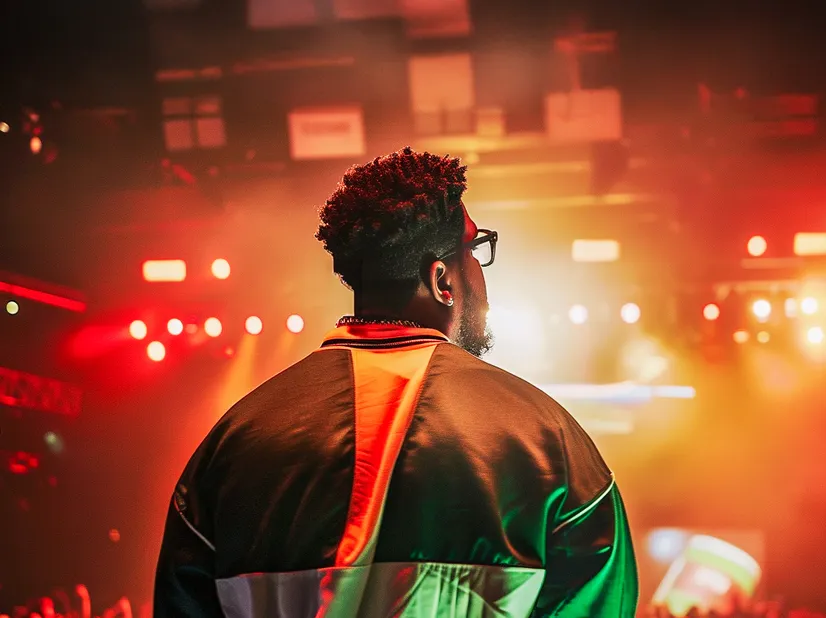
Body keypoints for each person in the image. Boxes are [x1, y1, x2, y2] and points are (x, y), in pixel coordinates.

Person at [153, 147, 638, 617]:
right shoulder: (546, 439)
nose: (481, 274)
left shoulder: (233, 444)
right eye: (474, 250)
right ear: (443, 280)